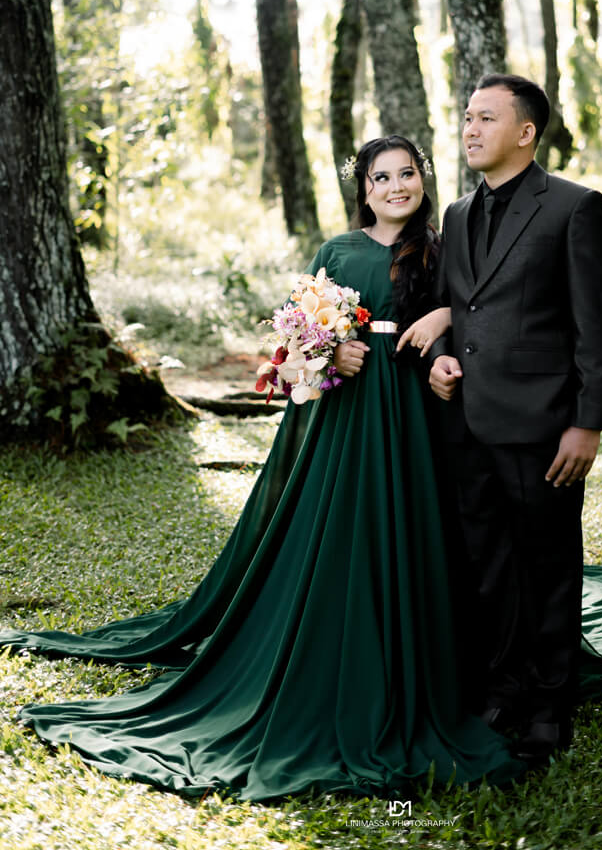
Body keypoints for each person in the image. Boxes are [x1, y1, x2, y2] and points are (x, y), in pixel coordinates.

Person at [0, 136, 525, 799]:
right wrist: (331, 354)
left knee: (420, 525)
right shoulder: (338, 252)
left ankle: (429, 653)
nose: (397, 186)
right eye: (382, 177)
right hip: (352, 414)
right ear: (364, 190)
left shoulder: (443, 248)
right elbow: (295, 345)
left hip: (417, 412)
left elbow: (479, 311)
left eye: (407, 173)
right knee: (345, 526)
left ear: (423, 179)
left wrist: (444, 315)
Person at [424, 73, 602, 764]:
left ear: (526, 132)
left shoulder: (574, 206)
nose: (470, 129)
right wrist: (440, 358)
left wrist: (587, 423)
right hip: (467, 423)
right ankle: (501, 688)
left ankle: (549, 707)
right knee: (488, 566)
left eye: (486, 118)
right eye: (467, 117)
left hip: (543, 426)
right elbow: (452, 307)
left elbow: (596, 327)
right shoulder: (456, 214)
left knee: (547, 568)